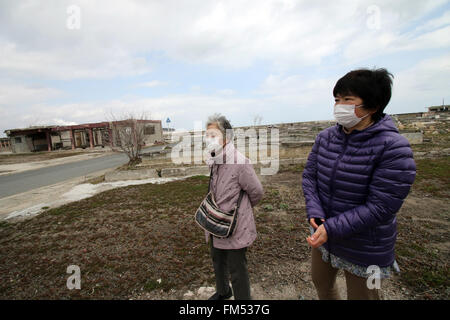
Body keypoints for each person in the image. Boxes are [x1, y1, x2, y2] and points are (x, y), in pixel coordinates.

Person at [302, 68, 416, 300]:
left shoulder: (394, 148)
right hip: (324, 238)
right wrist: (315, 211)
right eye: (337, 99)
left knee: (366, 296)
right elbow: (309, 177)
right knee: (322, 284)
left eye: (347, 100)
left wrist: (331, 228)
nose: (339, 106)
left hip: (367, 247)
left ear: (373, 106)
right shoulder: (325, 138)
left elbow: (382, 207)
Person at [204, 113, 264, 300]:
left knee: (237, 269)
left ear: (226, 137)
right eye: (207, 135)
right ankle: (223, 292)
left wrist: (242, 210)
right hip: (214, 220)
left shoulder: (240, 162)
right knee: (217, 260)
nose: (208, 139)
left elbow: (257, 192)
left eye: (213, 135)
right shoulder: (213, 159)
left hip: (235, 225)